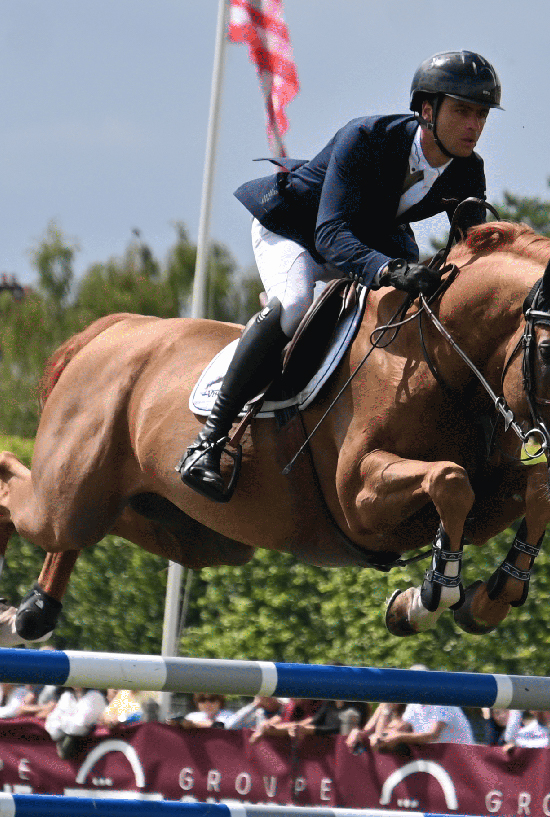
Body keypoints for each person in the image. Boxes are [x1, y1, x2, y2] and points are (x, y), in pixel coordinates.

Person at [178, 50, 502, 500]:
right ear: (427, 111)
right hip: (297, 230)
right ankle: (207, 442)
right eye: (463, 110)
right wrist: (388, 269)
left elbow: (471, 249)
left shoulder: (469, 171)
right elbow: (330, 234)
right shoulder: (366, 137)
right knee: (293, 305)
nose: (474, 125)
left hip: (369, 240)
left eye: (482, 114)